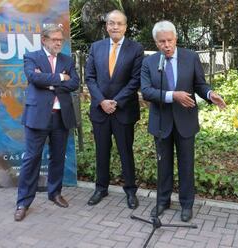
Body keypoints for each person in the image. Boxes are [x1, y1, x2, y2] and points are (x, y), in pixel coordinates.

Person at [140, 20, 226, 222]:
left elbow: (199, 84)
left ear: (176, 38)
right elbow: (146, 91)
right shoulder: (149, 63)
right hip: (161, 122)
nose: (166, 45)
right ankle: (163, 201)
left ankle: (187, 205)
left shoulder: (190, 57)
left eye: (169, 40)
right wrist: (172, 95)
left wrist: (210, 94)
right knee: (164, 165)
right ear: (156, 42)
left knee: (186, 165)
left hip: (185, 121)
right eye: (161, 42)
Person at [15, 24, 79, 221]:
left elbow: (75, 82)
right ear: (44, 39)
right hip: (38, 116)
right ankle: (23, 202)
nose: (59, 43)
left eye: (61, 40)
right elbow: (34, 77)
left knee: (58, 157)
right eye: (54, 39)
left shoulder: (67, 59)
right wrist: (60, 78)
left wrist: (48, 81)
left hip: (61, 116)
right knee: (32, 159)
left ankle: (55, 193)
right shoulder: (32, 57)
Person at [85, 10, 143, 209]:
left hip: (123, 110)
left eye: (119, 23)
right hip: (100, 110)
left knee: (126, 151)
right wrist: (102, 101)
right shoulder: (96, 47)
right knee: (101, 151)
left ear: (126, 26)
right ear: (106, 26)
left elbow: (135, 80)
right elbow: (90, 78)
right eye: (111, 23)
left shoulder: (136, 49)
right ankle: (101, 188)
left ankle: (130, 191)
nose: (115, 27)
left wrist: (115, 102)